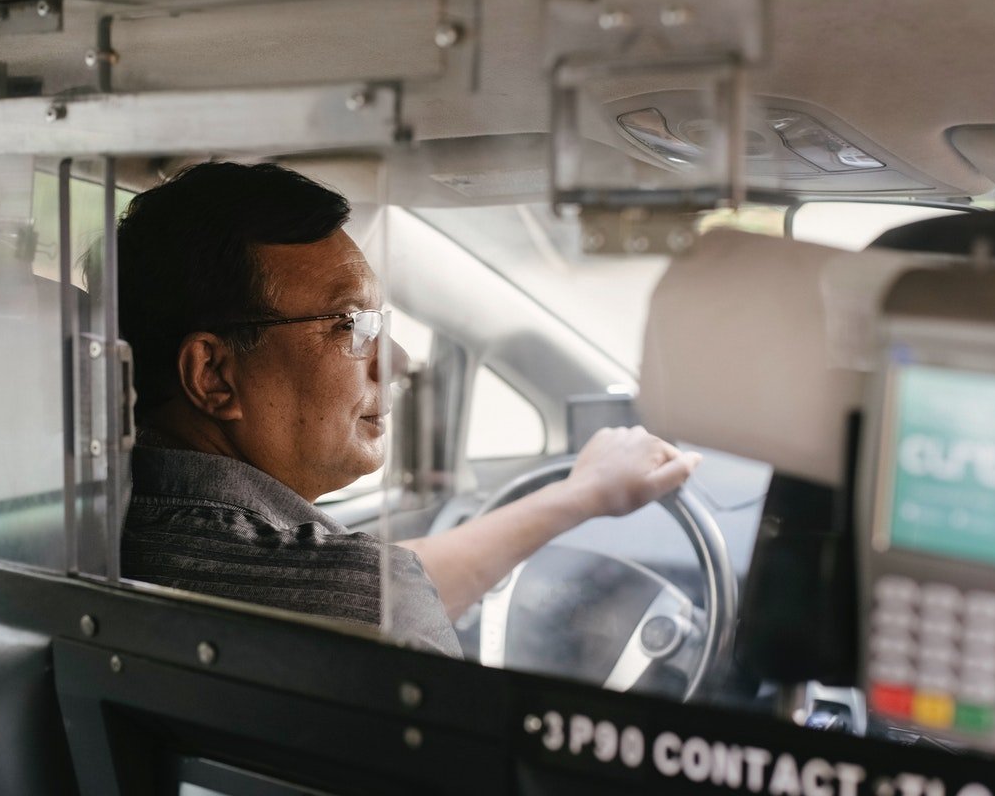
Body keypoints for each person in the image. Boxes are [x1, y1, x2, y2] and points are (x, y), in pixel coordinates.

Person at [115, 162, 701, 656]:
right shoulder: (356, 599)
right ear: (213, 375)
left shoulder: (107, 526)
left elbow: (380, 586)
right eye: (351, 324)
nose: (393, 360)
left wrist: (580, 496)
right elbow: (372, 596)